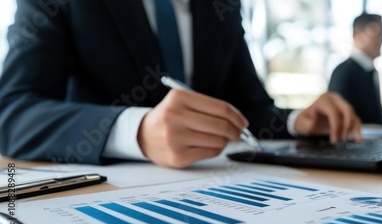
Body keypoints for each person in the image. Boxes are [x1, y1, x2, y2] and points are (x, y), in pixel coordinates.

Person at [0, 0, 362, 169]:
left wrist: (299, 121)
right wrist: (136, 131)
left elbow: (246, 109)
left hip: (216, 194)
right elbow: (13, 113)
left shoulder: (222, 7)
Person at [328, 13, 382, 125]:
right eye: (375, 32)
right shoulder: (343, 72)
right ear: (357, 35)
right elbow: (338, 121)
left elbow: (377, 118)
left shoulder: (372, 72)